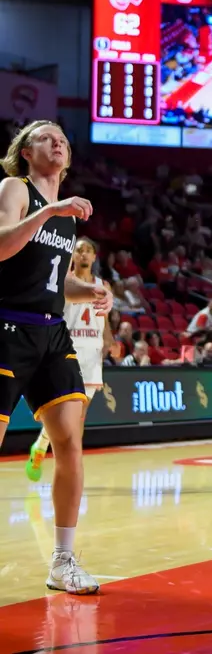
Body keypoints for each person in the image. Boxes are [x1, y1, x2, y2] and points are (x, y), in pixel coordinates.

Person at [0, 120, 113, 594]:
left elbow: (53, 279)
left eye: (63, 138)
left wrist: (88, 289)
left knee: (69, 442)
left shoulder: (65, 215)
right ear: (26, 151)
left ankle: (62, 560)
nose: (58, 142)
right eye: (47, 137)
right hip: (7, 328)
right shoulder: (14, 188)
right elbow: (4, 245)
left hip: (51, 333)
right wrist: (47, 213)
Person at [25, 237, 111, 482]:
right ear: (72, 255)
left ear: (94, 256)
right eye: (79, 250)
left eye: (88, 251)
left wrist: (109, 340)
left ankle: (50, 451)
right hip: (68, 348)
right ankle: (56, 455)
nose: (83, 254)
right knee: (67, 414)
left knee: (80, 415)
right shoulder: (62, 280)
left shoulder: (102, 284)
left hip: (92, 352)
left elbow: (104, 318)